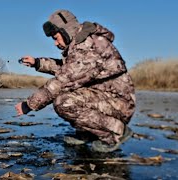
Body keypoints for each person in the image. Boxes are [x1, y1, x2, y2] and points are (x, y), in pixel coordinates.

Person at [15, 10, 135, 152]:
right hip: (103, 97)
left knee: (64, 102)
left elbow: (63, 80)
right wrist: (37, 63)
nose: (55, 43)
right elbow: (68, 69)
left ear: (66, 31)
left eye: (56, 37)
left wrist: (29, 105)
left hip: (118, 104)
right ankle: (88, 133)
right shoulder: (81, 44)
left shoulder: (88, 47)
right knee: (69, 96)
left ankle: (115, 132)